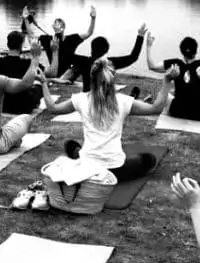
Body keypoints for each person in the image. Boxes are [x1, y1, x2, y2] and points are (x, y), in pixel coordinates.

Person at [40, 59, 176, 181]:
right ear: (112, 82)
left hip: (87, 167)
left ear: (92, 80)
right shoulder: (122, 101)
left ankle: (82, 158)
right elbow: (156, 108)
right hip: (116, 170)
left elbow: (53, 108)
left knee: (70, 145)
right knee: (149, 159)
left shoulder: (81, 99)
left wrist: (44, 83)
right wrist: (167, 80)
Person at [55, 23, 147, 91]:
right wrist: (140, 36)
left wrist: (58, 34)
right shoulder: (110, 63)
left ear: (91, 49)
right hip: (104, 100)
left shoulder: (83, 61)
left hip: (87, 99)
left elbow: (64, 54)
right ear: (107, 50)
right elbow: (133, 57)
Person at [0, 32, 43, 114]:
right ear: (21, 46)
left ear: (8, 44)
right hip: (23, 106)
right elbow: (52, 72)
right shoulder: (28, 63)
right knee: (38, 84)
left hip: (3, 105)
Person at [38, 6, 97, 77]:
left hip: (67, 74)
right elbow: (32, 38)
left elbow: (89, 33)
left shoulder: (72, 39)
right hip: (52, 72)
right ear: (52, 26)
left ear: (63, 27)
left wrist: (93, 18)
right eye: (55, 23)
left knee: (83, 61)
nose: (56, 25)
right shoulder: (47, 40)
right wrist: (26, 20)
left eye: (58, 24)